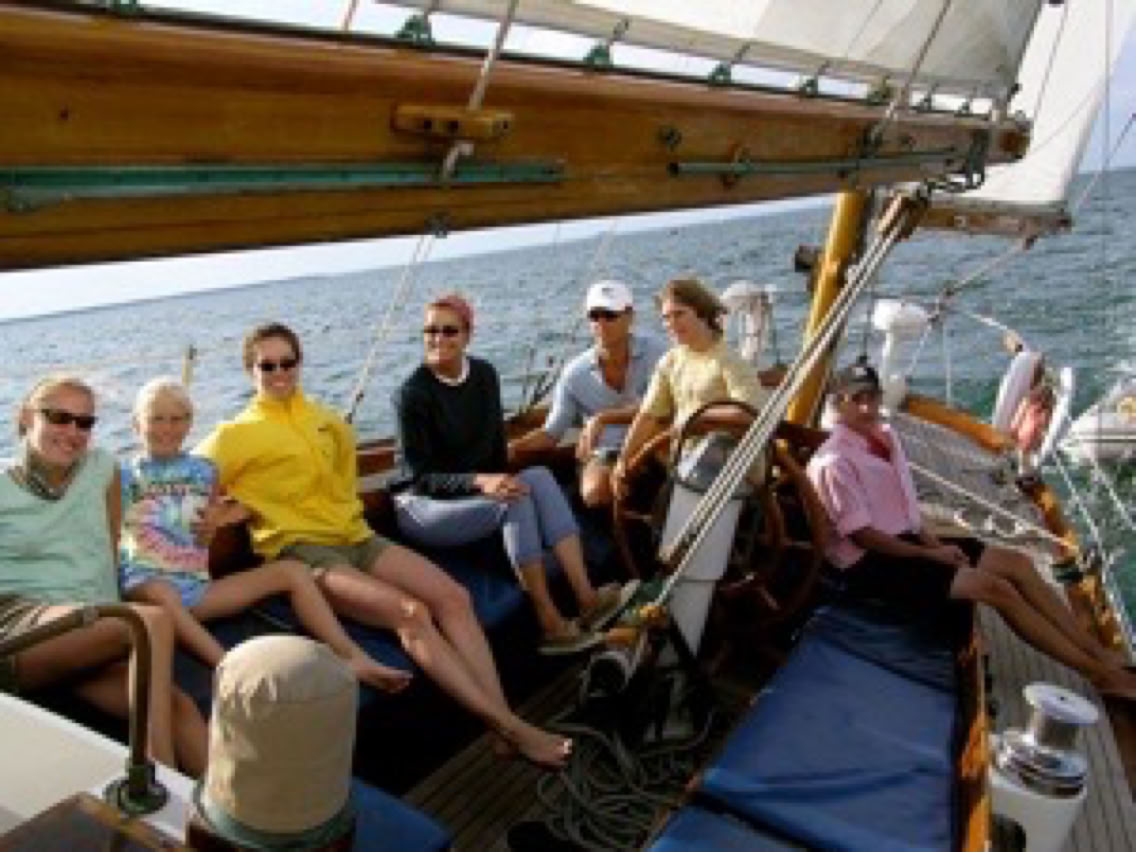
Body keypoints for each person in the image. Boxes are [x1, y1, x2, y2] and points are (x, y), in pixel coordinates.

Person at [197, 322, 571, 769]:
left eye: (288, 362)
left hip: (358, 537)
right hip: (303, 551)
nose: (279, 372)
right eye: (267, 365)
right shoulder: (234, 435)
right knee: (410, 614)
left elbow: (341, 484)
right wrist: (221, 511)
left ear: (299, 363)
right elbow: (179, 480)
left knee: (455, 597)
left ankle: (503, 726)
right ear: (250, 371)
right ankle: (512, 728)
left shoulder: (325, 419)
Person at [806, 360, 1136, 700]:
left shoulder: (884, 437)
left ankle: (1094, 650)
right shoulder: (834, 463)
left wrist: (932, 541)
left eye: (872, 397)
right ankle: (1099, 675)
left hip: (905, 541)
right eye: (856, 399)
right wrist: (930, 554)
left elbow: (907, 508)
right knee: (994, 588)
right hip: (869, 564)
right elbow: (862, 536)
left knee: (1016, 563)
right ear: (838, 404)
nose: (867, 406)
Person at [119, 377, 409, 693]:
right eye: (156, 418)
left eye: (177, 419)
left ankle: (353, 656)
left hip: (197, 591)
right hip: (148, 591)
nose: (167, 428)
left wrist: (215, 522)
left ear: (189, 424)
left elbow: (219, 517)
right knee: (163, 593)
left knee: (294, 572)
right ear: (137, 425)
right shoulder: (120, 477)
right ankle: (232, 672)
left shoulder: (205, 471)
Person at [393, 294, 630, 655]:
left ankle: (586, 598)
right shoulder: (411, 394)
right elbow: (420, 477)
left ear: (468, 335)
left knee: (537, 476)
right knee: (512, 500)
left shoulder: (484, 375)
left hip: (471, 491)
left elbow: (494, 452)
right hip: (422, 505)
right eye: (430, 331)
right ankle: (548, 620)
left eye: (449, 330)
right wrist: (479, 482)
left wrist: (494, 477)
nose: (438, 338)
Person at [0, 375, 207, 773]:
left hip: (91, 628)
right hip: (22, 629)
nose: (72, 431)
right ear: (27, 417)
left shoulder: (102, 469)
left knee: (178, 706)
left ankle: (227, 826)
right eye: (59, 417)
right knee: (147, 623)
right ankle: (153, 777)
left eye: (84, 422)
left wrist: (211, 521)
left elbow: (115, 544)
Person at [508, 280, 667, 508]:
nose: (601, 323)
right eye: (594, 316)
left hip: (656, 443)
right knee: (595, 492)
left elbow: (669, 407)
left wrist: (604, 418)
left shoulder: (659, 353)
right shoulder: (574, 374)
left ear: (630, 316)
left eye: (610, 314)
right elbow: (552, 433)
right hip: (607, 452)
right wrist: (512, 448)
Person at [612, 277, 771, 500]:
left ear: (703, 313)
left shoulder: (729, 361)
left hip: (733, 472)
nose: (671, 324)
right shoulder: (670, 362)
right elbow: (647, 416)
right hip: (686, 465)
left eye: (679, 314)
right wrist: (623, 461)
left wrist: (695, 418)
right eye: (666, 318)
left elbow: (749, 413)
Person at [1008, 380, 1055, 481]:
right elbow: (1044, 427)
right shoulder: (1047, 410)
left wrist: (1013, 431)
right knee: (1026, 455)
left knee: (1022, 454)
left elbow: (1017, 419)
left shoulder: (1028, 401)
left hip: (1024, 434)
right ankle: (1023, 472)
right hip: (1033, 438)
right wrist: (1040, 443)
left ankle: (1020, 472)